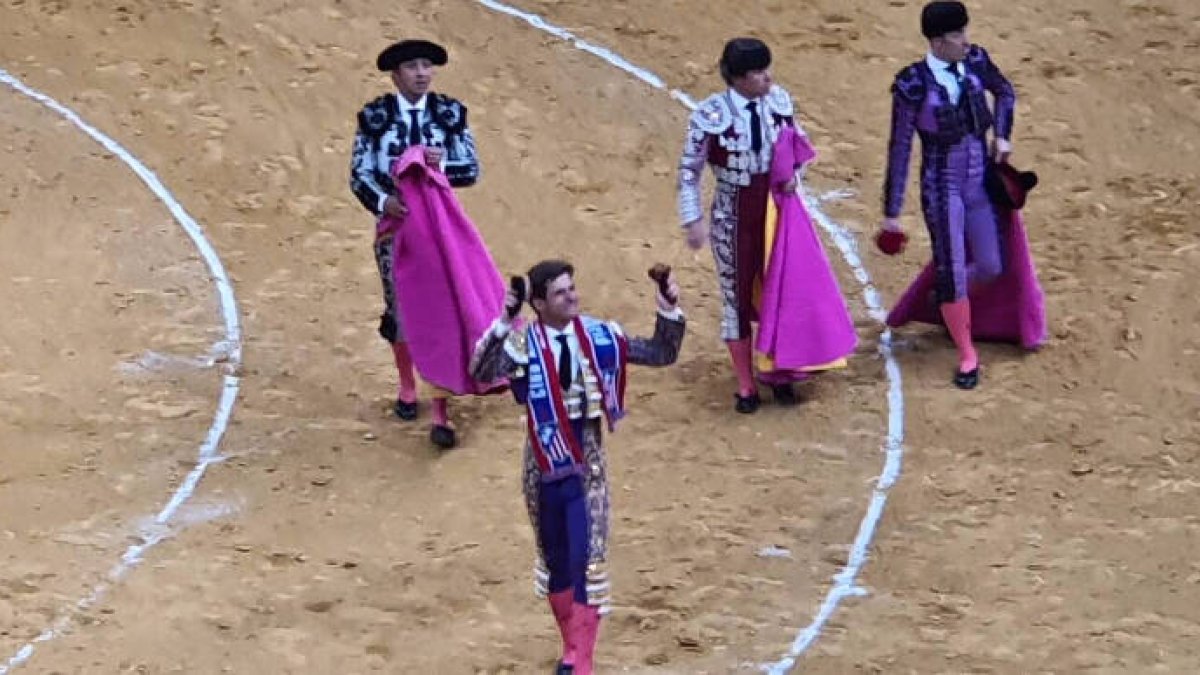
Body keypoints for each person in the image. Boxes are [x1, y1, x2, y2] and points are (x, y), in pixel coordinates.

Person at [469, 261, 686, 675]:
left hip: (588, 470)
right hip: (542, 467)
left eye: (572, 288)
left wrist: (668, 306)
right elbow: (480, 372)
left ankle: (583, 663)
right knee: (556, 562)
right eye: (559, 293)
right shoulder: (522, 344)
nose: (571, 297)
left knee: (589, 563)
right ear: (538, 304)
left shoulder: (600, 336)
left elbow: (662, 352)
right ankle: (571, 648)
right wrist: (505, 318)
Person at [678, 37, 846, 414]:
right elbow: (688, 172)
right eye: (758, 72)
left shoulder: (779, 103)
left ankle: (781, 372)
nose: (767, 78)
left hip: (775, 210)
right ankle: (745, 384)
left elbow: (799, 145)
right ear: (737, 78)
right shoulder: (710, 116)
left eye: (767, 68)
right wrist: (693, 219)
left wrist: (793, 175)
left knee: (782, 290)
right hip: (733, 214)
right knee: (736, 299)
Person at [875, 1, 1017, 389]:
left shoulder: (975, 61)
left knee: (990, 266)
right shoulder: (913, 84)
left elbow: (1005, 92)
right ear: (937, 42)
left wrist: (1003, 134)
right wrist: (892, 212)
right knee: (953, 267)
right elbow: (900, 147)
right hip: (942, 188)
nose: (965, 40)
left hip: (978, 183)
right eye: (957, 35)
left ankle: (945, 298)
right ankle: (967, 353)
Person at [350, 39, 482, 446]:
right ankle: (408, 385)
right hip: (397, 227)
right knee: (402, 308)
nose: (422, 73)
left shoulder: (450, 114)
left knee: (442, 310)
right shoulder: (374, 117)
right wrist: (384, 201)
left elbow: (471, 169)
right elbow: (360, 175)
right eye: (413, 67)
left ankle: (440, 407)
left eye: (427, 66)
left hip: (440, 227)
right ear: (396, 75)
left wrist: (442, 167)